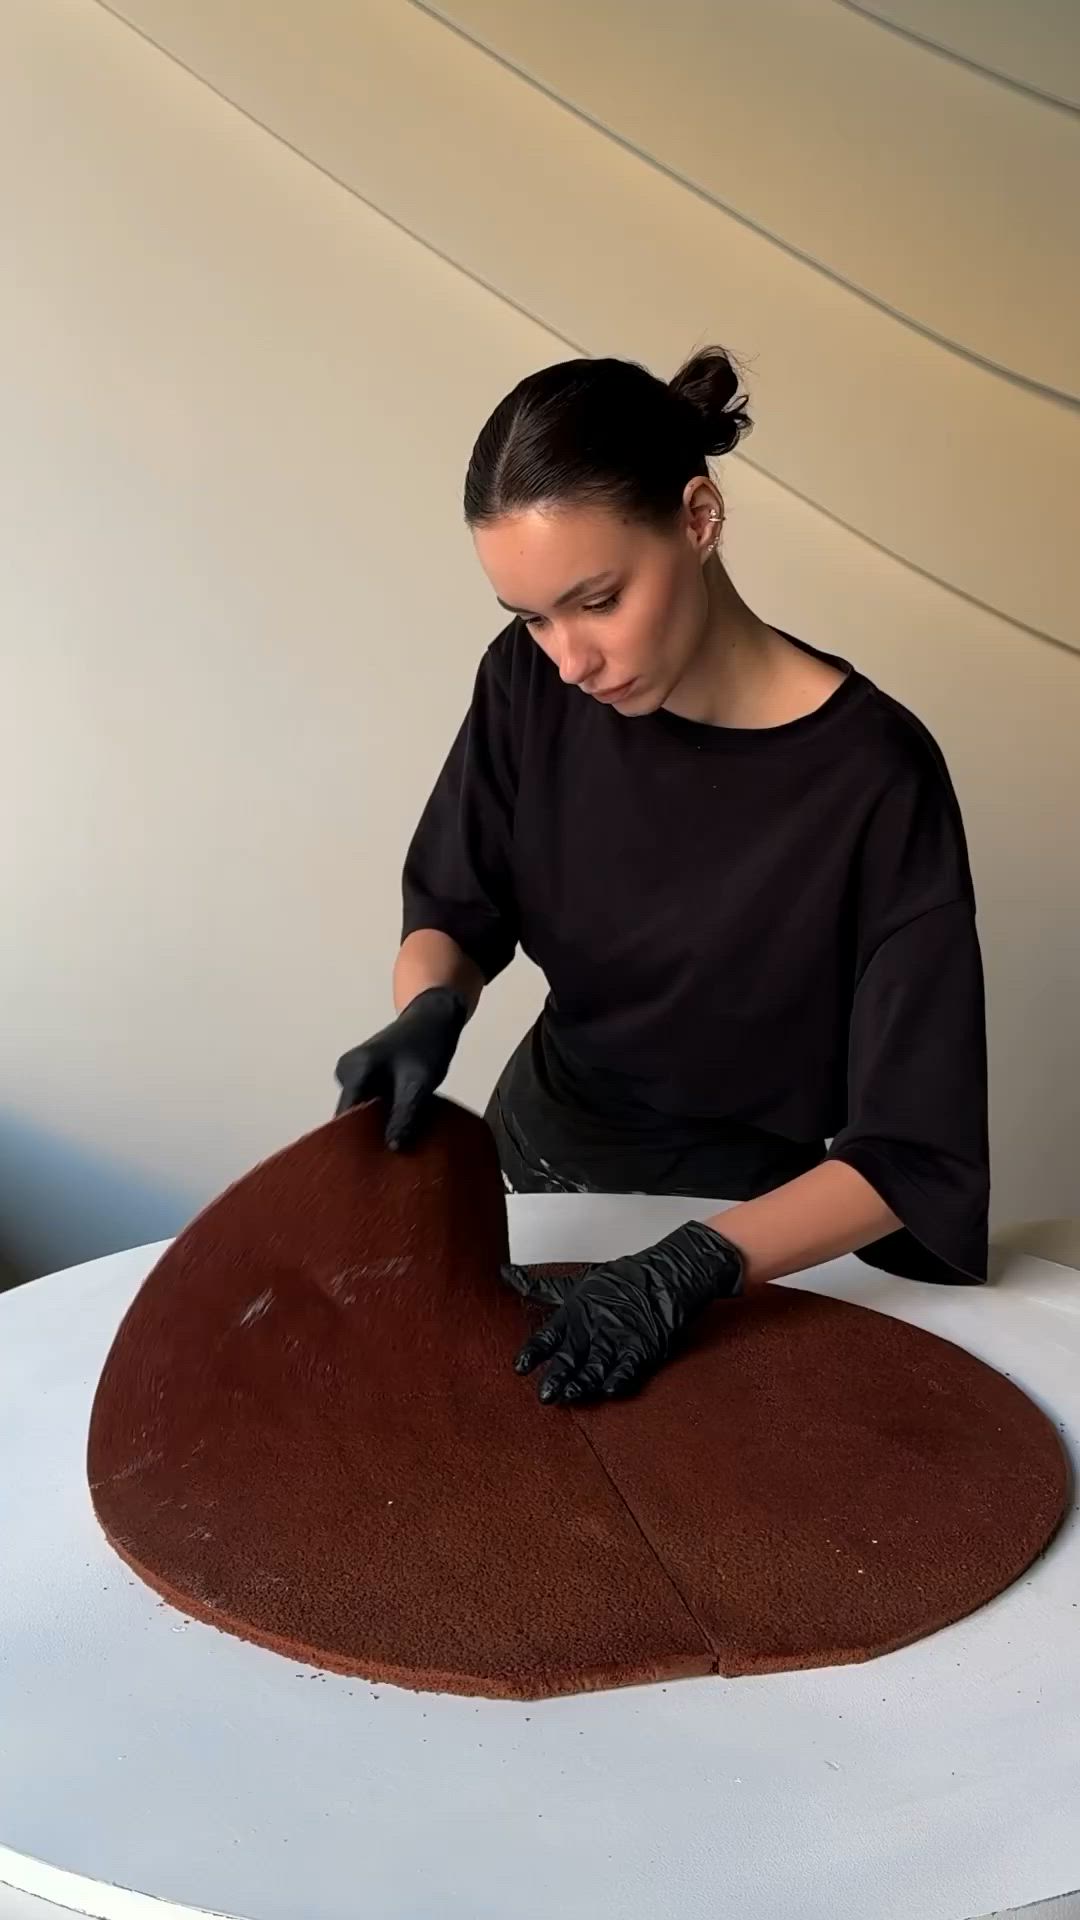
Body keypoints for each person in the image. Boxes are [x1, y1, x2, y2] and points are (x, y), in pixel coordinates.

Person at [335, 348, 989, 1408]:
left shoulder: (875, 778)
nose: (568, 660)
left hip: (734, 1236)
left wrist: (690, 1271)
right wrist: (429, 1010)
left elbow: (915, 1155)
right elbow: (456, 906)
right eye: (530, 617)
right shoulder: (530, 690)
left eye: (596, 601)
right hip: (528, 1171)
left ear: (697, 517)